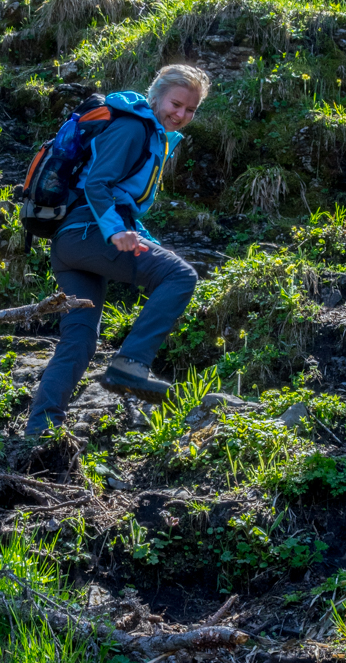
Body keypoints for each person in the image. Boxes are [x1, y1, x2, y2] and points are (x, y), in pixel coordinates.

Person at [25, 64, 210, 436]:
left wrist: (136, 235)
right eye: (176, 104)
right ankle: (131, 363)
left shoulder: (153, 134)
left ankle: (41, 431)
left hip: (70, 244)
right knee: (179, 276)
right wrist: (115, 232)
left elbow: (120, 198)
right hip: (86, 233)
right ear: (156, 96)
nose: (181, 115)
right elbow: (98, 185)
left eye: (191, 110)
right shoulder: (133, 127)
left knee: (79, 337)